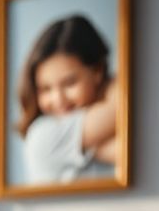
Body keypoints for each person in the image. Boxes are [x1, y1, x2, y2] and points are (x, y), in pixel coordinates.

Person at [15, 14, 118, 183]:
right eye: (45, 89)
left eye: (70, 83)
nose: (58, 99)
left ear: (97, 71)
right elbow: (124, 105)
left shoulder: (90, 132)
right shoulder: (42, 135)